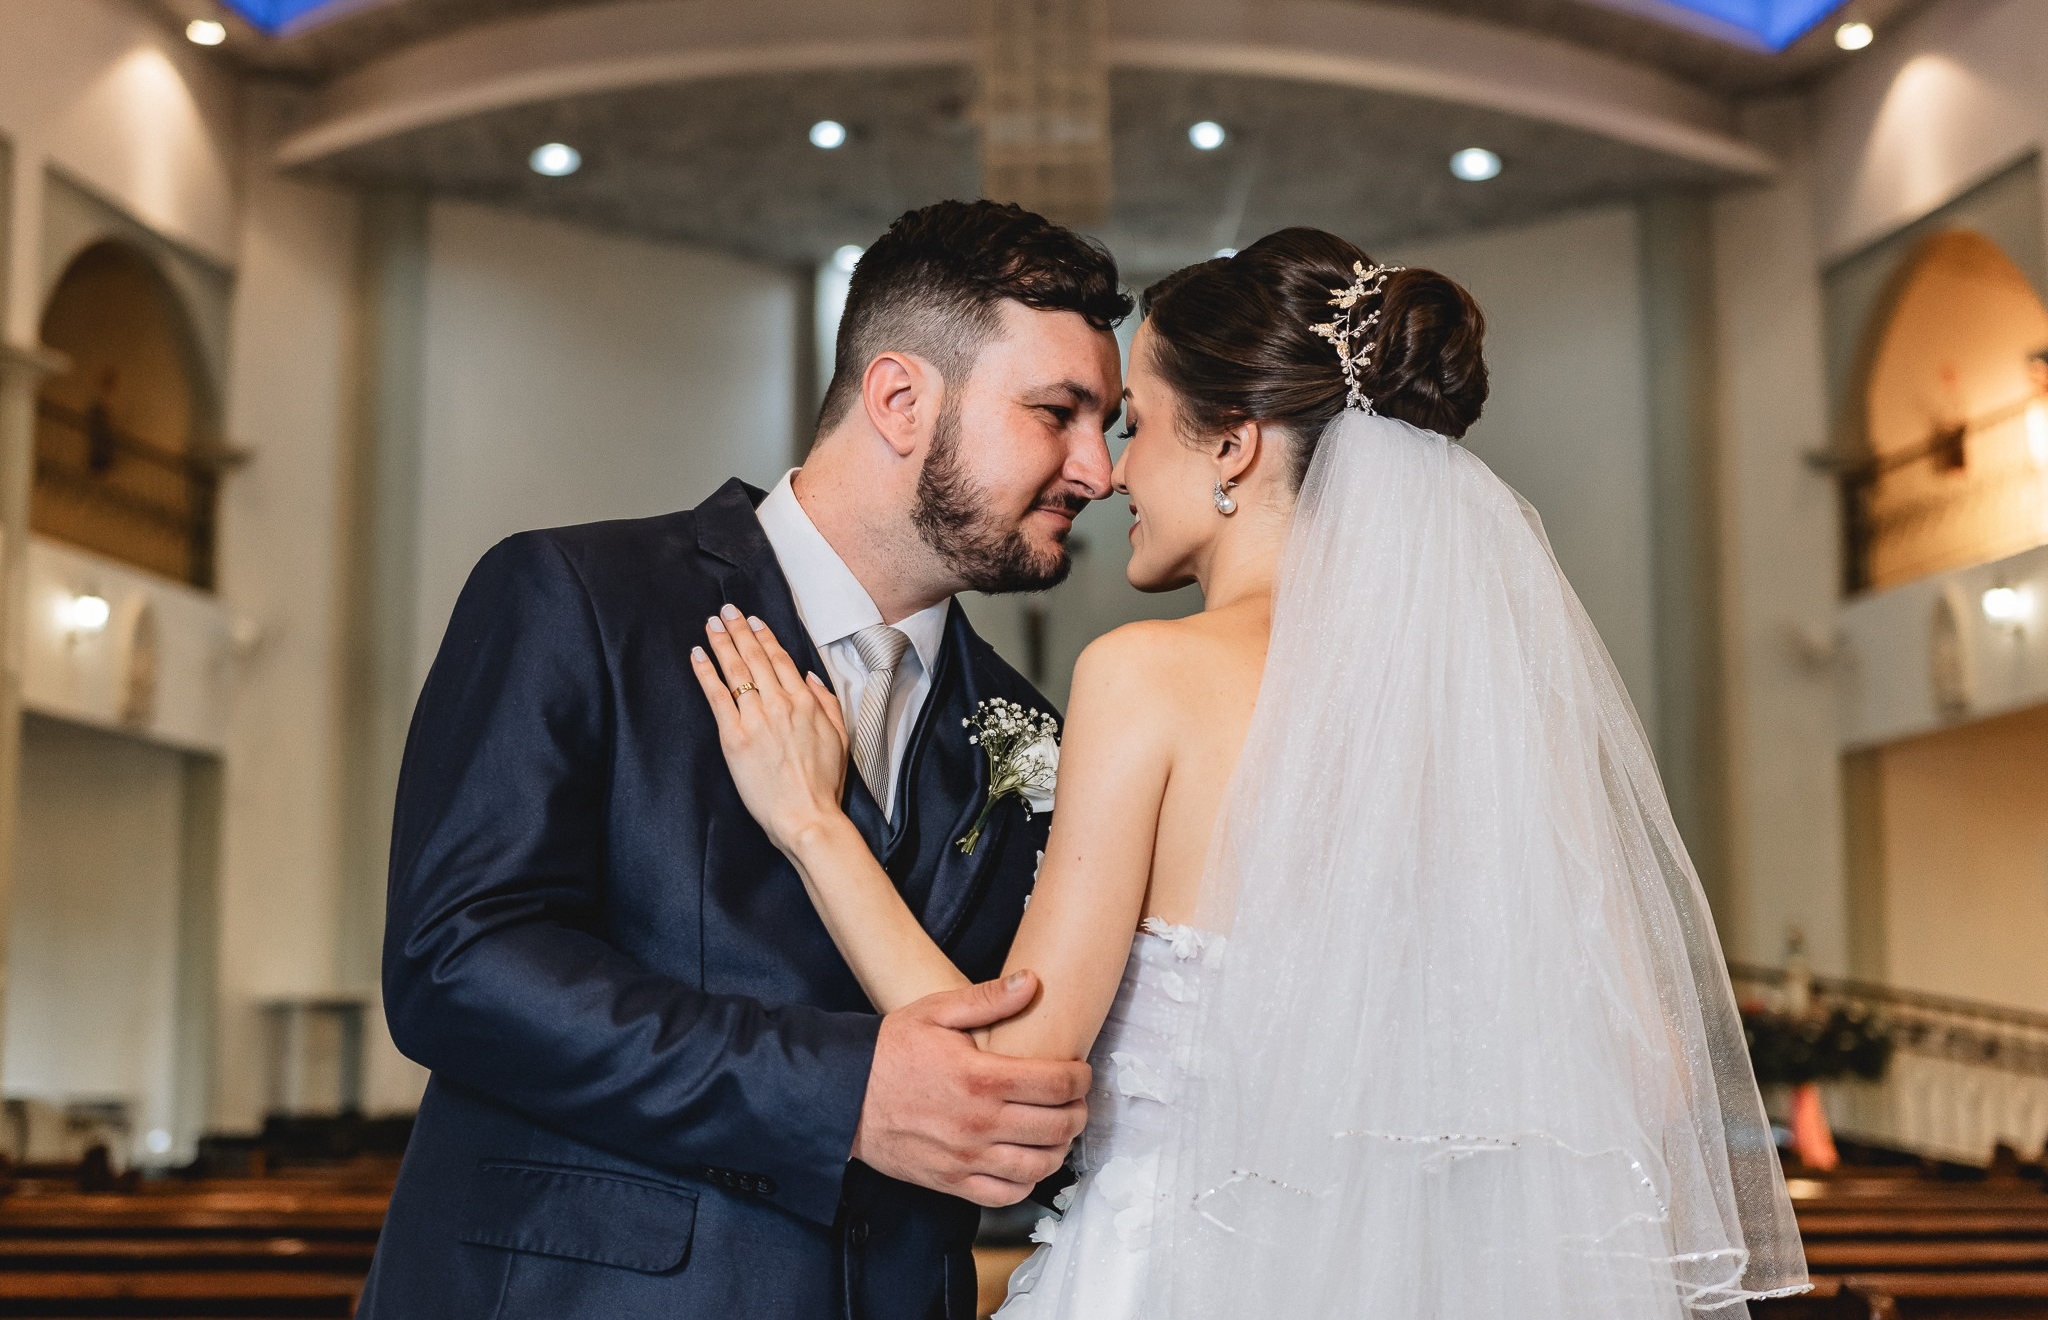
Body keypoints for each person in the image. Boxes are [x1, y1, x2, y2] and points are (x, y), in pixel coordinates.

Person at [694, 227, 1811, 1318]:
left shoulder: (1148, 677)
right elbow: (1656, 1077)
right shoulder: (1491, 703)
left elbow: (1009, 1070)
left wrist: (813, 826)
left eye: (1136, 425)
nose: (1109, 473)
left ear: (1232, 445)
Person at [357, 200, 1130, 1319]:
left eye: (1107, 426)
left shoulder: (1032, 730)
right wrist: (842, 1095)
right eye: (1058, 413)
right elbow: (454, 964)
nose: (1097, 470)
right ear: (900, 400)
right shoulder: (581, 599)